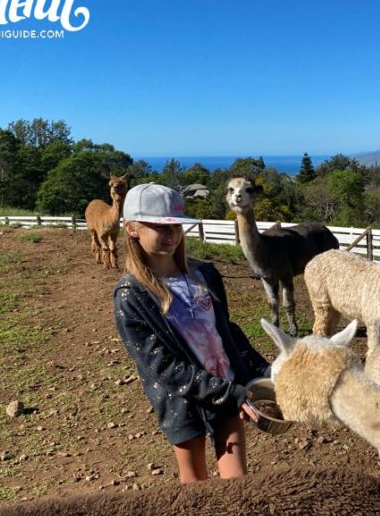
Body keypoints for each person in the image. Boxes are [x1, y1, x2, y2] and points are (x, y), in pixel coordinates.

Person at [113, 183, 268, 483]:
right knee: (195, 489)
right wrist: (231, 393)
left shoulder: (204, 274)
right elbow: (162, 367)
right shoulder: (131, 295)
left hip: (226, 391)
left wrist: (262, 372)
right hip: (182, 402)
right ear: (132, 228)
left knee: (237, 484)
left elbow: (226, 331)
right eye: (158, 225)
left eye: (176, 226)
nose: (171, 234)